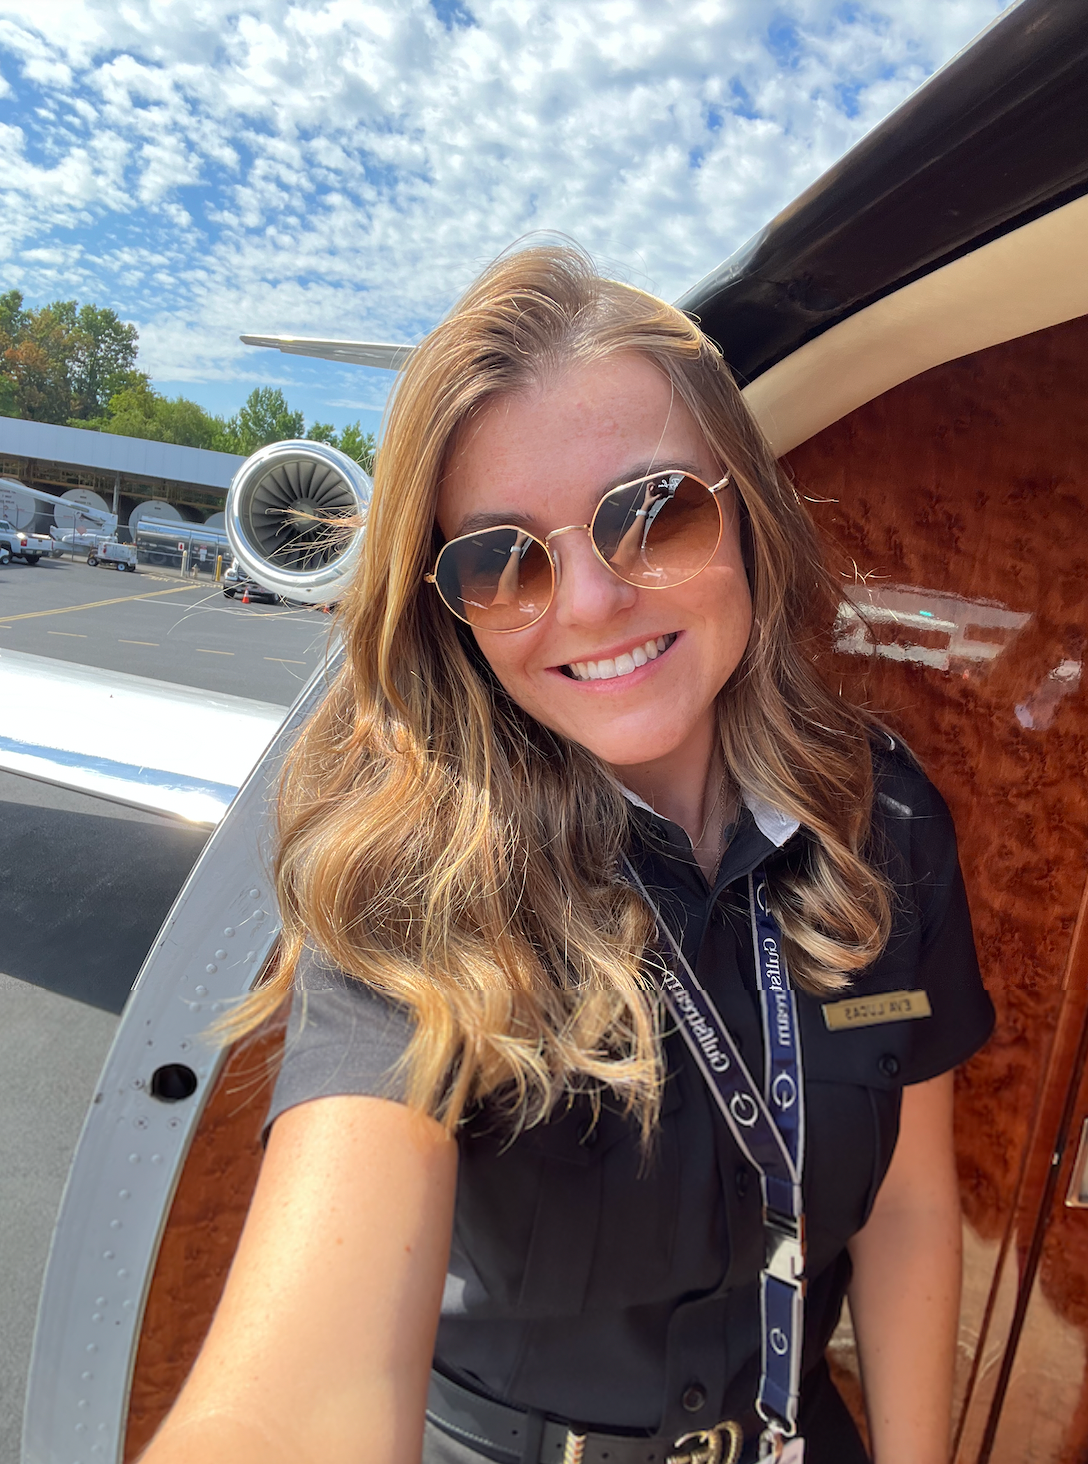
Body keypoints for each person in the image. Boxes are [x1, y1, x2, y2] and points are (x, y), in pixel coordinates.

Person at [140, 244, 994, 1464]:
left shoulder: (884, 820)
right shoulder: (414, 886)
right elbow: (296, 1397)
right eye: (499, 560)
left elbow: (907, 1207)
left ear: (743, 510)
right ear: (453, 611)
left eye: (651, 513)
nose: (587, 602)